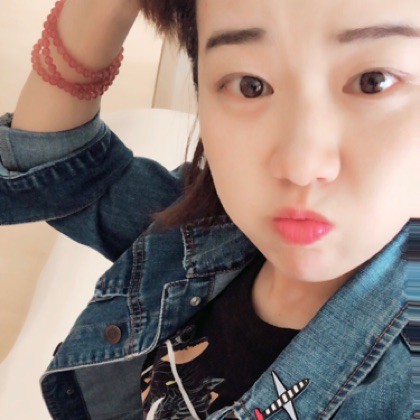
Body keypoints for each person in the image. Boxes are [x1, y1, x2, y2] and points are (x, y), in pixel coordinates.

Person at [0, 0, 419, 418]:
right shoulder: (205, 231)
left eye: (373, 82)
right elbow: (51, 166)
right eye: (250, 85)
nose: (301, 166)